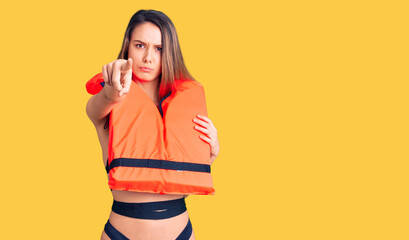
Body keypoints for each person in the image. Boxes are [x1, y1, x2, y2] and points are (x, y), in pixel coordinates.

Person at [85, 10, 220, 240]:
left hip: (181, 232)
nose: (148, 57)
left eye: (158, 49)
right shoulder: (108, 101)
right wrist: (112, 91)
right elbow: (96, 106)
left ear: (170, 54)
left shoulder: (186, 104)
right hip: (121, 233)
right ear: (127, 47)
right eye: (139, 45)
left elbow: (179, 178)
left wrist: (213, 152)